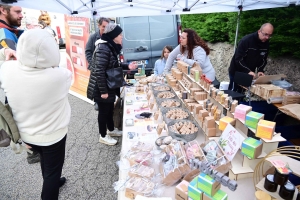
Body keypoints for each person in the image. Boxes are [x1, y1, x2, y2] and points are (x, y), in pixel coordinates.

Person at [0, 29, 71, 200]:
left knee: (47, 165)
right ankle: (51, 184)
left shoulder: (7, 70)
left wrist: (4, 52)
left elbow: (8, 61)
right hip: (53, 135)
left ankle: (51, 180)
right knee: (53, 170)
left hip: (27, 135)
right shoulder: (61, 76)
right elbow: (55, 67)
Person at [0, 4, 40, 164]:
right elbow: (18, 69)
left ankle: (32, 149)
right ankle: (33, 151)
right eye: (17, 12)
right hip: (19, 94)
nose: (21, 15)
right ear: (3, 10)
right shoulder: (4, 34)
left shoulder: (11, 31)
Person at [87, 23, 137, 145]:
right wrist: (103, 92)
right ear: (114, 35)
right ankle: (103, 135)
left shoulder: (110, 46)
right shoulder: (103, 48)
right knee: (104, 112)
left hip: (108, 85)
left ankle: (111, 129)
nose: (122, 37)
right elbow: (99, 71)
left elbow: (114, 65)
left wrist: (127, 66)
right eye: (120, 34)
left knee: (110, 109)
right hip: (101, 87)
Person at [228, 23, 274, 91]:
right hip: (237, 71)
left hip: (249, 73)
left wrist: (260, 70)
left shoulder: (266, 44)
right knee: (233, 94)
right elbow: (238, 59)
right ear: (259, 31)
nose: (267, 37)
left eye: (269, 35)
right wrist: (247, 71)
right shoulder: (246, 41)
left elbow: (263, 59)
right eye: (265, 34)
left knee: (241, 93)